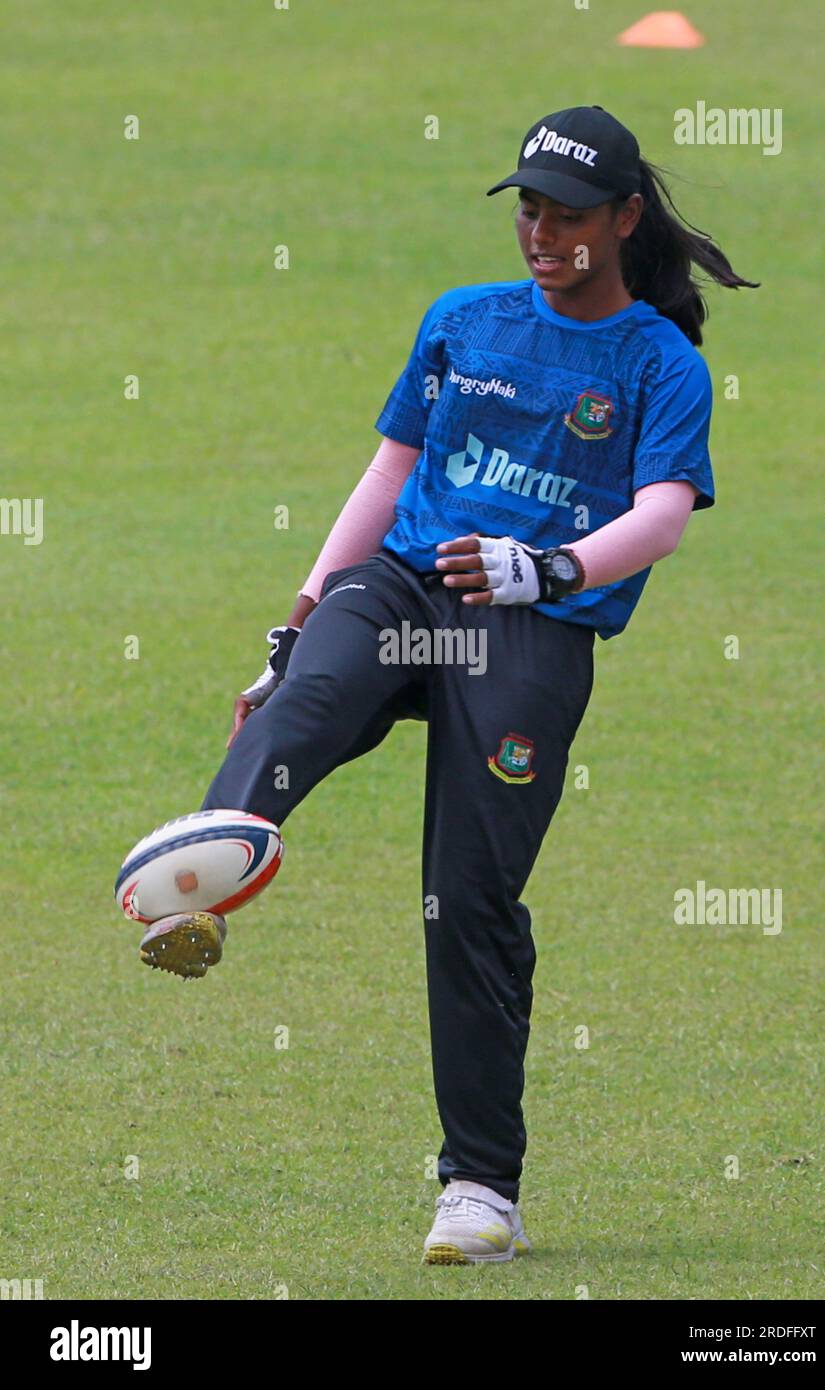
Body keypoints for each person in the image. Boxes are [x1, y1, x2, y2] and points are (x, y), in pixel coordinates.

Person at [137, 106, 757, 1265]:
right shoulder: (460, 321)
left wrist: (549, 566)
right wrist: (295, 617)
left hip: (527, 626)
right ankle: (198, 886)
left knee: (466, 901)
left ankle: (480, 1192)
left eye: (566, 214)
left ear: (622, 219)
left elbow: (663, 514)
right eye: (526, 207)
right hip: (406, 592)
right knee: (301, 697)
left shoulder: (657, 364)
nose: (540, 231)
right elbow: (393, 470)